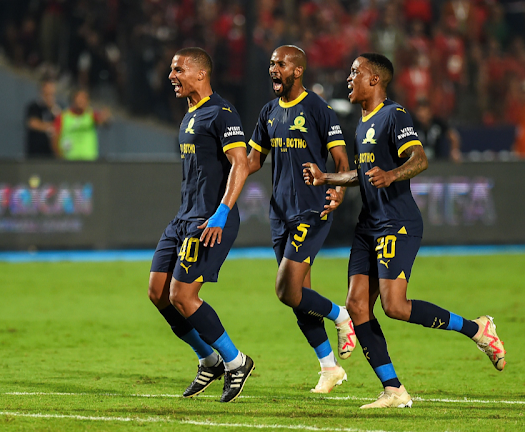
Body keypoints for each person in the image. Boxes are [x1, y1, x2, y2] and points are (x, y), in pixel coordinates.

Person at [303, 53, 506, 409]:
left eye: (355, 73)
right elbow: (362, 174)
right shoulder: (362, 122)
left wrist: (393, 174)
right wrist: (327, 177)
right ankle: (393, 389)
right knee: (356, 305)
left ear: (375, 80)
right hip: (368, 225)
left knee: (395, 306)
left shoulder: (394, 116)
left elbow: (420, 159)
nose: (349, 79)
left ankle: (476, 329)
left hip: (397, 223)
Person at [247, 45, 357, 395]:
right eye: (270, 64)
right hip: (279, 213)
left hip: (311, 210)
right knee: (299, 295)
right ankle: (329, 367)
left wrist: (337, 191)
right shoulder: (268, 112)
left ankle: (341, 315)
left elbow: (341, 161)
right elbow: (251, 161)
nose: (273, 69)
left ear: (297, 71)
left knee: (286, 290)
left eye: (280, 64)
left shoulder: (318, 109)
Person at [147, 47, 254, 403]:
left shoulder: (222, 113)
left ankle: (236, 361)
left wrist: (222, 212)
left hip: (210, 219)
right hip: (183, 218)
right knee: (158, 293)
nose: (171, 76)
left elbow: (240, 163)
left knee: (183, 295)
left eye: (178, 69)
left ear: (199, 73)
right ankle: (208, 358)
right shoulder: (189, 116)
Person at [52, 89, 110, 161]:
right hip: (69, 161)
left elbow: (104, 121)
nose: (81, 101)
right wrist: (60, 156)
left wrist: (105, 117)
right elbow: (55, 138)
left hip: (89, 160)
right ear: (73, 100)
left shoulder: (91, 115)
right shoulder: (62, 117)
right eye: (79, 98)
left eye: (84, 98)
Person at [25, 79, 61, 159]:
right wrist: (51, 126)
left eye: (51, 94)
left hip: (53, 154)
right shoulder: (34, 107)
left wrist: (55, 110)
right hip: (36, 153)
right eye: (46, 94)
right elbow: (33, 123)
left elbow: (63, 126)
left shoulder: (59, 108)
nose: (49, 97)